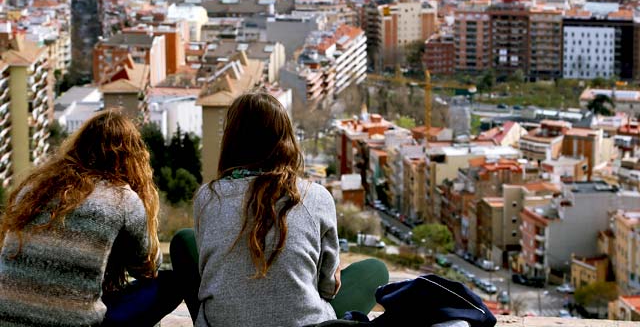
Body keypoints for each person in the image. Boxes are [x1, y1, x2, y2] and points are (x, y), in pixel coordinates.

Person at [172, 90, 388, 326]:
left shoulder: (208, 197)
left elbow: (208, 272)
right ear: (286, 139)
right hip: (307, 324)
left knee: (184, 240)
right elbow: (327, 288)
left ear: (231, 140)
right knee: (375, 270)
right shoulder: (316, 197)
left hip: (222, 323)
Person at [0, 109, 183, 326]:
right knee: (170, 283)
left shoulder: (34, 188)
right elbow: (147, 266)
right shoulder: (122, 199)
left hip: (8, 319)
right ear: (133, 158)